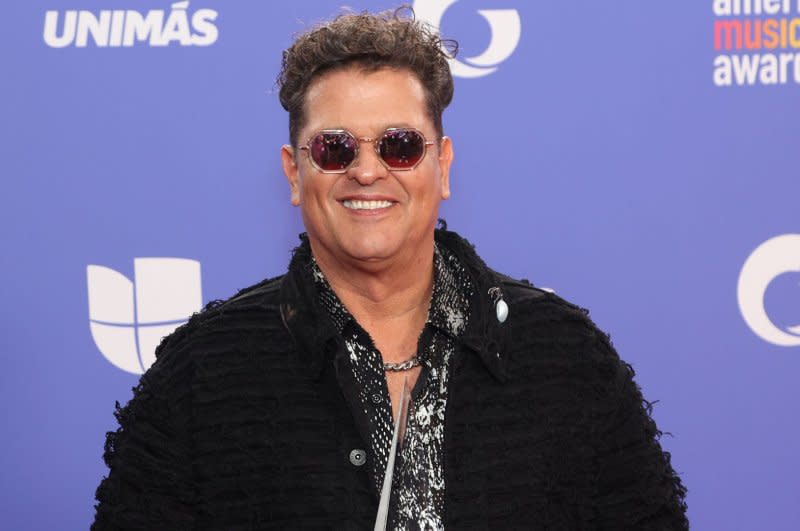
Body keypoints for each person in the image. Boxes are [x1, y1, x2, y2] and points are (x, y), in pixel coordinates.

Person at [92, 7, 688, 530]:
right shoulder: (204, 370)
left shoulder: (565, 356)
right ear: (294, 174)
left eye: (400, 144)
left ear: (443, 166)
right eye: (334, 148)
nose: (368, 171)